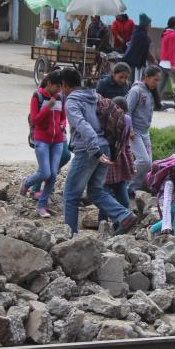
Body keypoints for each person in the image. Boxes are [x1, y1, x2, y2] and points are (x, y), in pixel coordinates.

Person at [61, 67, 138, 235]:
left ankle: (70, 236)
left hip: (88, 150)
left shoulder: (72, 101)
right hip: (105, 147)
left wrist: (95, 151)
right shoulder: (94, 96)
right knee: (96, 191)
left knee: (70, 195)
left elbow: (82, 125)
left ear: (64, 85)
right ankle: (124, 215)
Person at [20, 70, 66, 218]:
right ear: (49, 83)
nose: (59, 90)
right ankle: (27, 183)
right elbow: (35, 120)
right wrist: (48, 107)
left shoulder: (60, 97)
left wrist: (62, 125)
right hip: (42, 140)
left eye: (61, 87)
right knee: (45, 172)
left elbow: (63, 117)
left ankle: (42, 205)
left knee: (53, 175)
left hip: (58, 140)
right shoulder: (37, 96)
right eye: (57, 86)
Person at [99, 96, 135, 225]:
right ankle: (102, 225)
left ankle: (120, 224)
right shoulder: (105, 121)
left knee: (123, 200)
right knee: (105, 197)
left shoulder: (126, 121)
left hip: (119, 164)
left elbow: (126, 145)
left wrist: (131, 165)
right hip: (106, 163)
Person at [126, 65, 161, 195]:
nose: (157, 83)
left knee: (148, 164)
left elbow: (158, 106)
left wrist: (173, 105)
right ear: (146, 77)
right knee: (143, 161)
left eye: (158, 80)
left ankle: (132, 188)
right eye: (155, 79)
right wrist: (130, 130)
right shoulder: (136, 91)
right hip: (134, 133)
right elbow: (127, 110)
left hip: (145, 133)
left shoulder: (150, 91)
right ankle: (122, 181)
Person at [157, 16, 175, 110]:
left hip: (163, 63)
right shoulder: (172, 35)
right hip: (169, 64)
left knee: (162, 84)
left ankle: (154, 102)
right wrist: (173, 64)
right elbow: (171, 52)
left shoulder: (165, 33)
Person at [122, 13, 152, 82]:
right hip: (135, 62)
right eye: (150, 24)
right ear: (146, 25)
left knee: (131, 80)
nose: (151, 26)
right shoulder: (143, 36)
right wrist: (154, 61)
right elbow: (146, 51)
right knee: (134, 81)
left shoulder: (137, 32)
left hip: (130, 60)